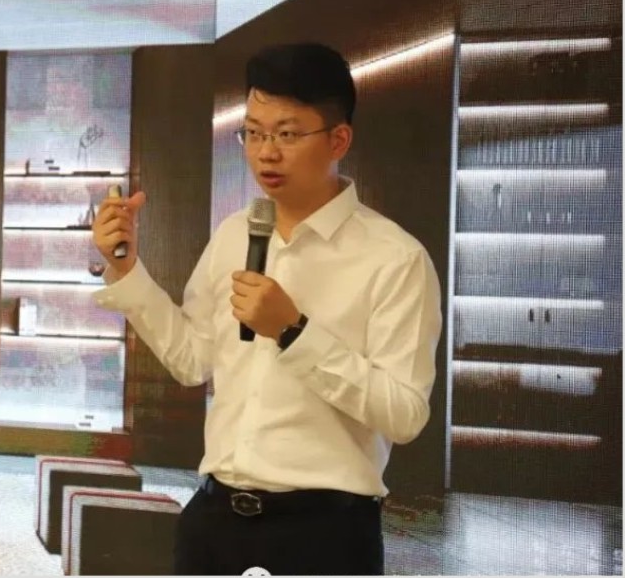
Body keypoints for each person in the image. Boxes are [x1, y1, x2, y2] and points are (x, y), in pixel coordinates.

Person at [90, 42, 441, 576]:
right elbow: (191, 360)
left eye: (287, 134)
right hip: (213, 521)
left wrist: (294, 332)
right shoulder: (236, 233)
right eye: (253, 133)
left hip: (323, 534)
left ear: (338, 140)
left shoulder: (395, 258)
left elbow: (404, 413)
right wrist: (125, 269)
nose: (265, 153)